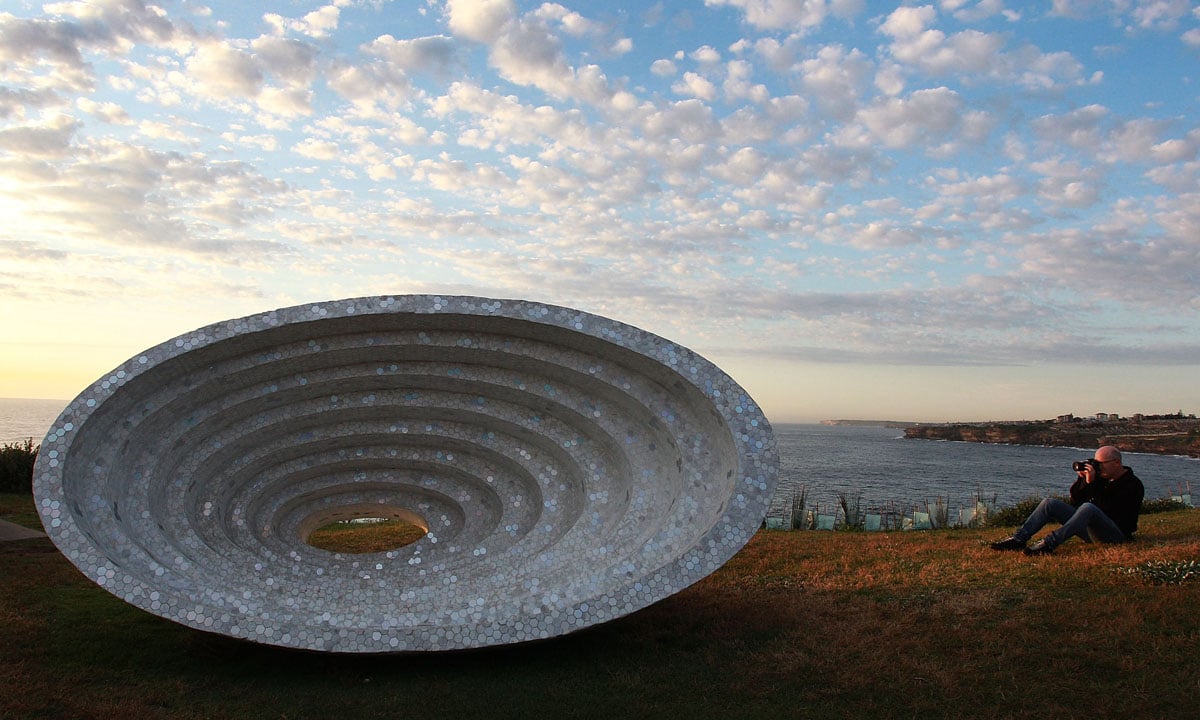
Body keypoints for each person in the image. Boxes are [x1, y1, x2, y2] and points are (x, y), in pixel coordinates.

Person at [989, 445, 1144, 556]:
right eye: (1096, 463)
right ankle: (1018, 540)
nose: (1098, 467)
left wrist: (1091, 485)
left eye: (1101, 464)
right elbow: (1075, 502)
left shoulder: (1132, 485)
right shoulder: (1102, 478)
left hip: (1115, 535)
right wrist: (1083, 481)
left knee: (1088, 508)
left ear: (1117, 462)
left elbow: (1105, 509)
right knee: (1050, 503)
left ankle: (1049, 544)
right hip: (1090, 530)